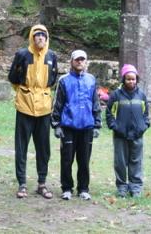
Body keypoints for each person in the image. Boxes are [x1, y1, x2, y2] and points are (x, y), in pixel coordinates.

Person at [8, 24, 58, 199]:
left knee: (43, 147)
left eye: (43, 35)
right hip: (25, 106)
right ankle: (22, 183)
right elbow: (13, 77)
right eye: (37, 35)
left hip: (44, 108)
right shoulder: (22, 55)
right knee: (21, 146)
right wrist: (24, 92)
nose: (40, 38)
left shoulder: (51, 56)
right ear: (31, 37)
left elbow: (53, 80)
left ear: (47, 38)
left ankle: (42, 183)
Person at [51, 50, 101, 201]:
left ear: (86, 62)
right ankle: (66, 188)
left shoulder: (91, 80)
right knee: (67, 159)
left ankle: (83, 188)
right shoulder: (64, 80)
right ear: (72, 61)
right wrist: (56, 124)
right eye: (77, 60)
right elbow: (57, 103)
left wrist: (97, 125)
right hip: (68, 126)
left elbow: (95, 103)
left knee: (84, 160)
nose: (80, 62)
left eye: (82, 60)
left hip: (86, 126)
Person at [106, 64, 150, 198]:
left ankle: (135, 187)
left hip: (137, 134)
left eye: (133, 79)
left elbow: (145, 114)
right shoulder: (116, 95)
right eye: (128, 79)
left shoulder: (141, 95)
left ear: (137, 79)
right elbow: (109, 114)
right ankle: (121, 187)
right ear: (123, 80)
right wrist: (115, 127)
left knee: (136, 161)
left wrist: (144, 126)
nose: (131, 81)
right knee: (120, 162)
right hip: (120, 135)